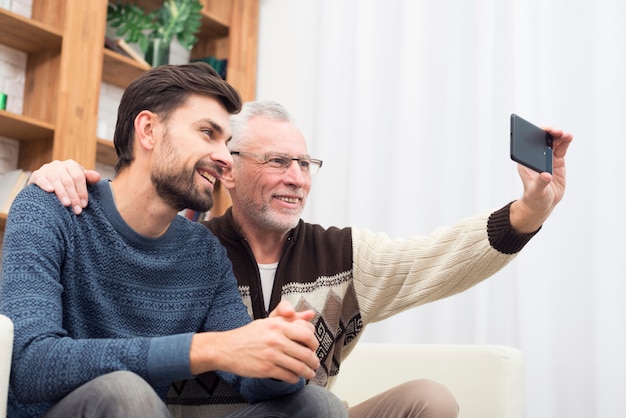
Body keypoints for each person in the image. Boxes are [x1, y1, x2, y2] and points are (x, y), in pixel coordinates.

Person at [28, 100, 573, 418]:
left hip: (295, 413)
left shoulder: (343, 254)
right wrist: (58, 176)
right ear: (229, 168)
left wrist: (529, 210)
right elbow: (129, 219)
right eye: (279, 161)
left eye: (306, 163)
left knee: (424, 400)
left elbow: (437, 259)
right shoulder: (191, 249)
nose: (297, 177)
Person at [0, 66, 349, 418]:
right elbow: (30, 363)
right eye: (207, 133)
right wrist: (207, 348)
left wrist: (281, 359)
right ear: (149, 130)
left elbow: (247, 377)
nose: (225, 159)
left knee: (317, 405)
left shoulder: (202, 253)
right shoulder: (50, 209)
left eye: (226, 144)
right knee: (126, 391)